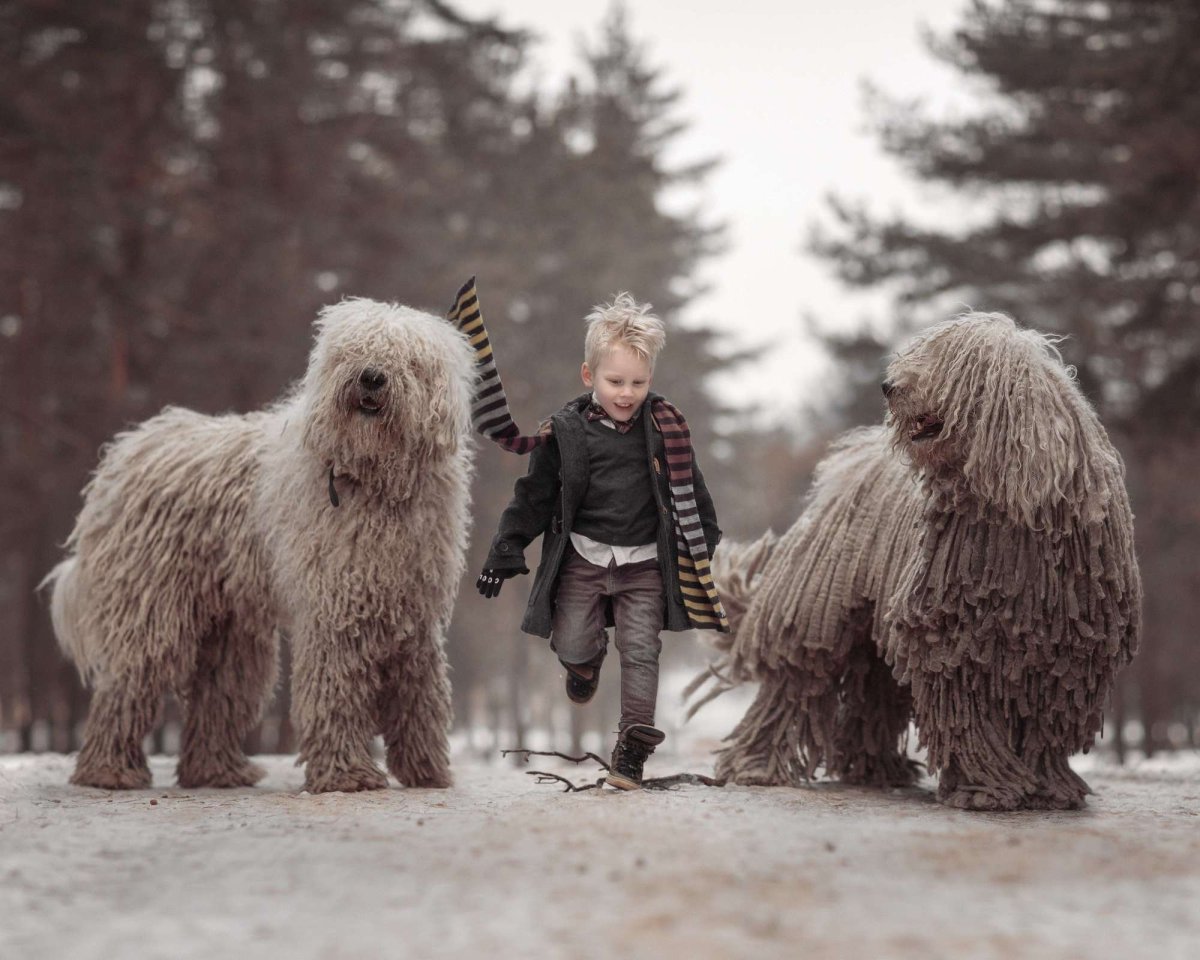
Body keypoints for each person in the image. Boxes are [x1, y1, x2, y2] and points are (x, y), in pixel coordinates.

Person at [476, 294, 722, 790]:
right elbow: (533, 497)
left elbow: (692, 489)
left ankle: (631, 749)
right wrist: (506, 548)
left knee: (641, 651)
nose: (627, 393)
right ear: (589, 376)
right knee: (569, 639)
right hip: (583, 560)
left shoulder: (665, 428)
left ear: (651, 378)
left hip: (644, 566)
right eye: (615, 382)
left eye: (638, 382)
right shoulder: (566, 432)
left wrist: (704, 544)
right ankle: (584, 662)